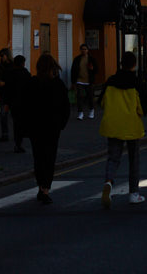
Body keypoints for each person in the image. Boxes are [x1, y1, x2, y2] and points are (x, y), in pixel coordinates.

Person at [99, 51, 147, 208]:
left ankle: (108, 181)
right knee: (134, 160)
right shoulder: (137, 82)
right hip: (132, 125)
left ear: (121, 64)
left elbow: (101, 102)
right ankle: (134, 193)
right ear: (134, 65)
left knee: (113, 157)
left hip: (113, 124)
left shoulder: (110, 81)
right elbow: (143, 108)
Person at [25, 54, 70, 204]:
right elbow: (66, 107)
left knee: (38, 157)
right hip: (52, 128)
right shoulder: (58, 85)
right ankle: (45, 188)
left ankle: (40, 186)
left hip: (35, 127)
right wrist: (61, 124)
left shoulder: (32, 83)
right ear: (53, 68)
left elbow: (25, 105)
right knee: (49, 157)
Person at [70, 44, 99, 121]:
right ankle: (80, 113)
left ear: (88, 50)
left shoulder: (92, 59)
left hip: (89, 81)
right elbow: (73, 71)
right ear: (80, 50)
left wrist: (92, 69)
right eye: (82, 49)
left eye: (85, 49)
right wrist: (73, 82)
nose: (84, 50)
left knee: (90, 96)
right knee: (79, 96)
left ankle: (91, 110)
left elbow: (96, 70)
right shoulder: (77, 59)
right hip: (79, 80)